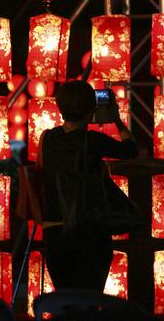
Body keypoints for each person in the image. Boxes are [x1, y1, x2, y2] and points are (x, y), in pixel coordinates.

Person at [40, 80, 138, 291]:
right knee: (90, 300)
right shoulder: (94, 141)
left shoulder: (47, 139)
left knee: (65, 302)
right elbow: (131, 149)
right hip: (90, 231)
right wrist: (117, 120)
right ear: (92, 110)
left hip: (55, 234)